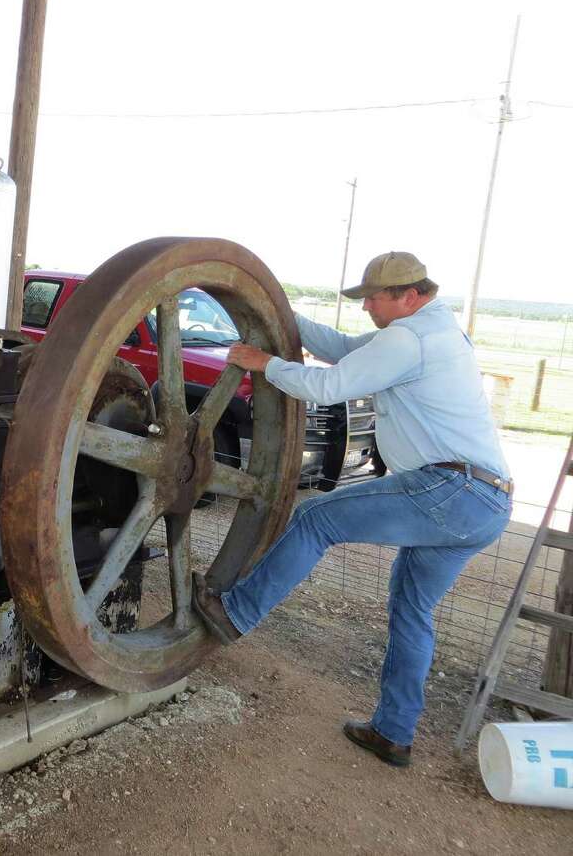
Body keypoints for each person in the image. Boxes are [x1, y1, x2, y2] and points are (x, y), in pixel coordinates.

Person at [192, 251, 512, 768]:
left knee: (317, 519)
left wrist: (263, 363)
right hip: (484, 503)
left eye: (374, 298)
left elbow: (328, 385)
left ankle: (235, 612)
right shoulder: (429, 331)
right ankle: (393, 733)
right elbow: (341, 350)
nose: (366, 307)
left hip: (450, 490)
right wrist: (276, 315)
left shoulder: (409, 339)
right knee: (411, 611)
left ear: (410, 295)